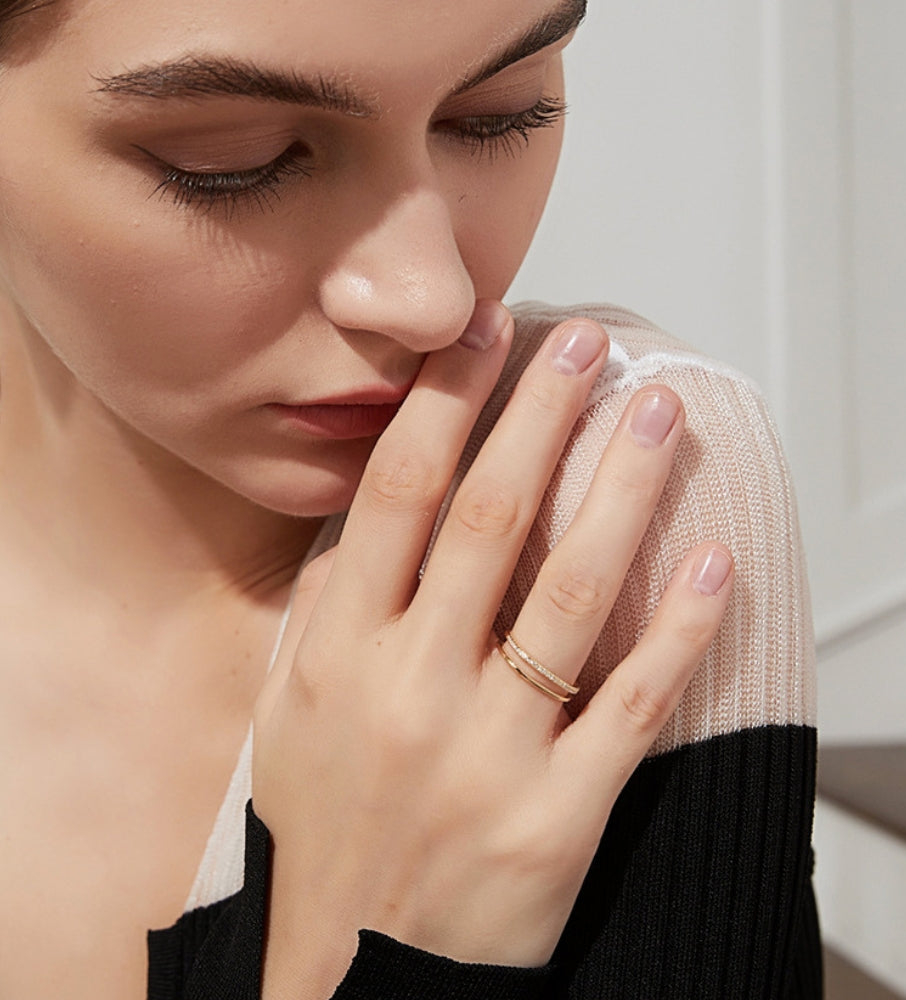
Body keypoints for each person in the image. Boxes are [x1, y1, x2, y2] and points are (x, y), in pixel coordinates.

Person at [0, 0, 820, 997]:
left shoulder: (620, 493)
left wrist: (367, 961)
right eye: (234, 159)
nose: (431, 295)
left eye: (503, 112)